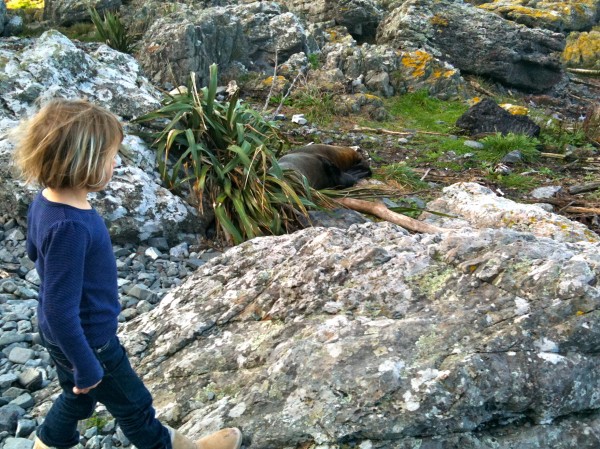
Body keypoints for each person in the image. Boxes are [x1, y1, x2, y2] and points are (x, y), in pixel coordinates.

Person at [12, 99, 242, 449]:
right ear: (82, 163)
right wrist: (88, 365)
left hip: (59, 336)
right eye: (109, 157)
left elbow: (33, 251)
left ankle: (47, 445)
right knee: (134, 407)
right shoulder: (71, 226)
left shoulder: (46, 201)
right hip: (91, 340)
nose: (115, 163)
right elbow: (62, 310)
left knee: (77, 397)